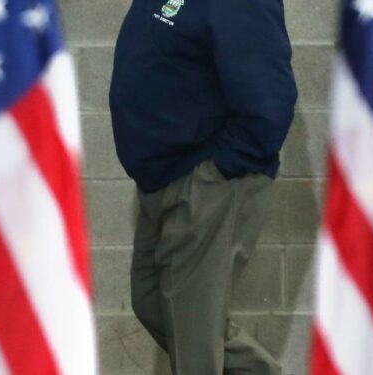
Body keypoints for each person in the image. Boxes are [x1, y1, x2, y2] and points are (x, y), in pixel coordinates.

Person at [109, 0, 297, 372]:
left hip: (207, 183)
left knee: (194, 340)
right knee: (153, 303)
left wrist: (216, 171)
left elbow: (269, 101)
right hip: (161, 180)